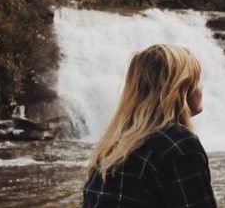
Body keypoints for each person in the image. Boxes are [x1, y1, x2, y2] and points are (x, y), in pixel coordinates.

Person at [83, 44, 216, 207]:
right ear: (181, 89)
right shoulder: (178, 144)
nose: (201, 88)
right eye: (197, 80)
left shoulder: (113, 147)